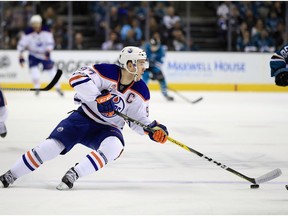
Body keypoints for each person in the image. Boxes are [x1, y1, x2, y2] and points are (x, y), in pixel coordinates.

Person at [0, 46, 169, 190]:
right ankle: (11, 175)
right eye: (140, 64)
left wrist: (152, 129)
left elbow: (137, 119)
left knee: (115, 147)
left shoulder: (142, 90)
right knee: (51, 147)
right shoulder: (106, 71)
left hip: (108, 128)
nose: (144, 67)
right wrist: (97, 97)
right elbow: (76, 77)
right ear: (129, 64)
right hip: (83, 118)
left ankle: (74, 174)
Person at [17, 15, 63, 96]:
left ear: (40, 23)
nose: (35, 26)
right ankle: (37, 88)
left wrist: (48, 51)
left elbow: (50, 42)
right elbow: (21, 45)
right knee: (34, 72)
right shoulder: (28, 33)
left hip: (43, 54)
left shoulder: (46, 31)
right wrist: (20, 55)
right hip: (33, 55)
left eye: (37, 23)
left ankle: (58, 87)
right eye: (34, 24)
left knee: (52, 71)